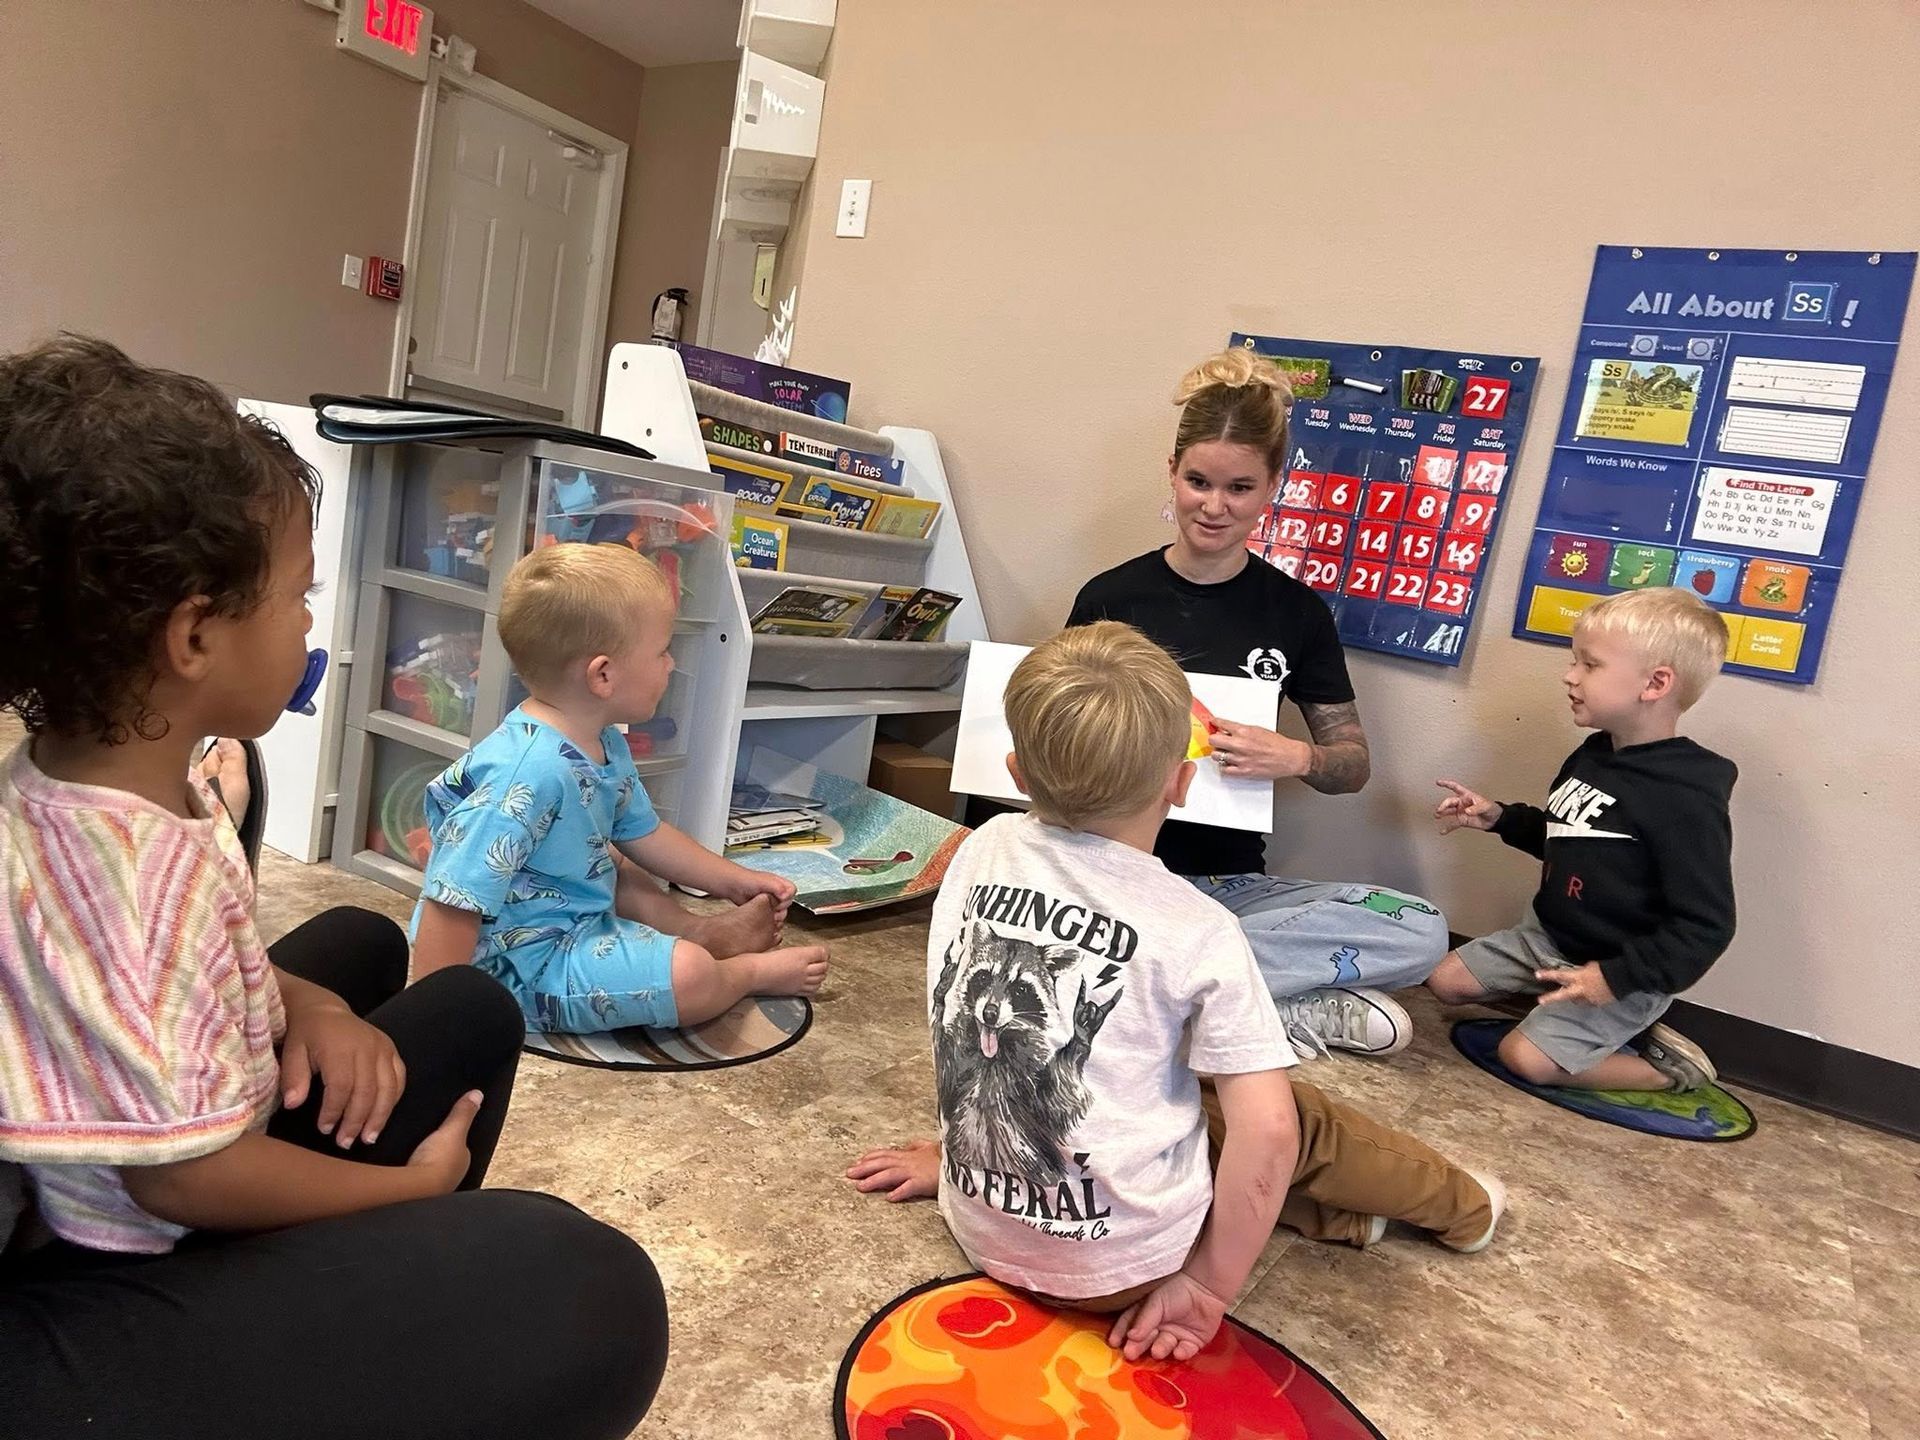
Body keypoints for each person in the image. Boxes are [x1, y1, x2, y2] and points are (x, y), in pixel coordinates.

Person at [0, 335, 666, 1439]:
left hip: (140, 1150)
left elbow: (150, 986)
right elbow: (182, 1179)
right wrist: (409, 1191)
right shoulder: (139, 877)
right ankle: (412, 1266)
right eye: (299, 596)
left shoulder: (68, 783)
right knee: (589, 1282)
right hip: (142, 1236)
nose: (312, 622)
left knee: (376, 950)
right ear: (195, 634)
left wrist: (303, 1004)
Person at [847, 623, 1503, 1362]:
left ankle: (1345, 1221)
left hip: (982, 1227)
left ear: (1017, 773)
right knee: (1295, 1119)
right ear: (1182, 783)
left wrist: (953, 1161)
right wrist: (1207, 1287)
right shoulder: (1200, 927)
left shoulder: (978, 850)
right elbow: (1270, 1134)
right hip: (1121, 1272)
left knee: (1157, 1094)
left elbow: (976, 1040)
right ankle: (1466, 1208)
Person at [1066, 349, 1448, 1057]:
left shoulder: (1297, 613)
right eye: (1198, 482)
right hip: (1108, 873)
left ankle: (1159, 991)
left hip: (1227, 888)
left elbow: (1353, 765)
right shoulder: (1110, 597)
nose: (1214, 507)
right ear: (1172, 473)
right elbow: (1057, 731)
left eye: (1240, 487)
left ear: (1276, 483)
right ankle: (1254, 1002)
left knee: (1420, 927)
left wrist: (1297, 756)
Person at [409, 542, 829, 1032]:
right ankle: (742, 973)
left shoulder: (601, 740)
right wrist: (433, 1020)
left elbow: (645, 834)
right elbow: (453, 902)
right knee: (688, 974)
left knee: (613, 858)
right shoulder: (521, 777)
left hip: (575, 922)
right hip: (518, 969)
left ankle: (697, 931)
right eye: (662, 651)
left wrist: (732, 880)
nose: (670, 664)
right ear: (603, 675)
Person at [1425, 588, 1735, 1091]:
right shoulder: (1594, 754)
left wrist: (1613, 979)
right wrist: (1500, 818)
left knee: (1524, 1059)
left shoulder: (1685, 797)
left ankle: (1668, 1072)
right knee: (1445, 980)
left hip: (1619, 971)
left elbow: (1707, 926)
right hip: (1546, 939)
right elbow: (1569, 837)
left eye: (1590, 665)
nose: (1570, 676)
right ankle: (1568, 1026)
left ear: (1655, 683)